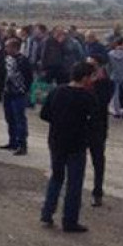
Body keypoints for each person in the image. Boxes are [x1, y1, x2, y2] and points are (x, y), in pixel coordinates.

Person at [40, 61, 97, 233]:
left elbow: (44, 114)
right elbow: (93, 122)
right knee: (74, 183)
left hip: (56, 140)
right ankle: (70, 220)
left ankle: (47, 212)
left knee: (56, 177)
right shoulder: (87, 98)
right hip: (76, 144)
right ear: (85, 78)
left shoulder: (57, 91)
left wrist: (58, 121)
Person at [85, 55, 114, 207]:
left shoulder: (106, 83)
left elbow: (101, 103)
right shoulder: (83, 80)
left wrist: (96, 82)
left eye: (93, 65)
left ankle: (98, 191)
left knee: (98, 159)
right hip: (82, 126)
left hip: (98, 126)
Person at [0, 38, 34, 156]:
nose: (6, 49)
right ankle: (12, 141)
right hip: (7, 92)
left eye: (8, 47)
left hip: (18, 93)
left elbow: (29, 77)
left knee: (19, 119)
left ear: (15, 48)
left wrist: (24, 89)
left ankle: (22, 144)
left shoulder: (23, 60)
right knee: (10, 118)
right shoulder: (7, 59)